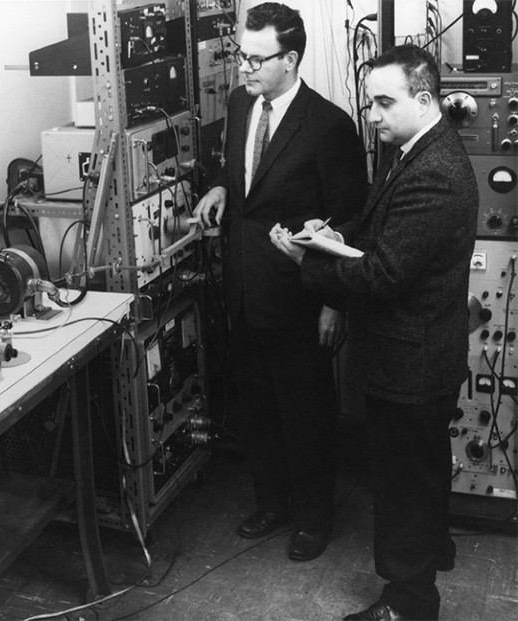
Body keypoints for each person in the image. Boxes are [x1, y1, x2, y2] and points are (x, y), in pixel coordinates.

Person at [270, 44, 478, 620]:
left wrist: (303, 262)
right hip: (421, 355)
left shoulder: (435, 174)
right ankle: (434, 550)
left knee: (401, 485)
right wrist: (328, 231)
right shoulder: (416, 148)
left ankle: (408, 605)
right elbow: (377, 222)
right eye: (370, 103)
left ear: (425, 98)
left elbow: (384, 274)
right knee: (423, 468)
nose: (374, 115)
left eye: (385, 103)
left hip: (411, 362)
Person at [194, 2, 366, 561]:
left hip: (298, 298)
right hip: (243, 289)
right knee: (259, 407)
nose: (242, 66)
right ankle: (272, 502)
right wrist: (222, 188)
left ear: (290, 59)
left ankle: (314, 518)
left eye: (255, 57)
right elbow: (242, 174)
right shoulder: (244, 102)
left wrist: (334, 303)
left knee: (307, 412)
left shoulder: (330, 127)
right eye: (241, 53)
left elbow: (351, 220)